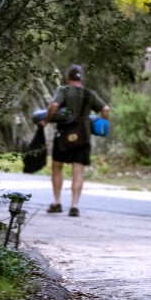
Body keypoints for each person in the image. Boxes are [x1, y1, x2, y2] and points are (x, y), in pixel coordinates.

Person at [44, 64, 110, 217]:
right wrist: (101, 122)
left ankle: (57, 202)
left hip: (63, 136)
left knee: (57, 167)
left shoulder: (64, 90)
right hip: (83, 136)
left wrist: (47, 120)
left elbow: (54, 105)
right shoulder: (90, 93)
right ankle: (74, 206)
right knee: (78, 170)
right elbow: (105, 109)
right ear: (82, 78)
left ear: (67, 78)